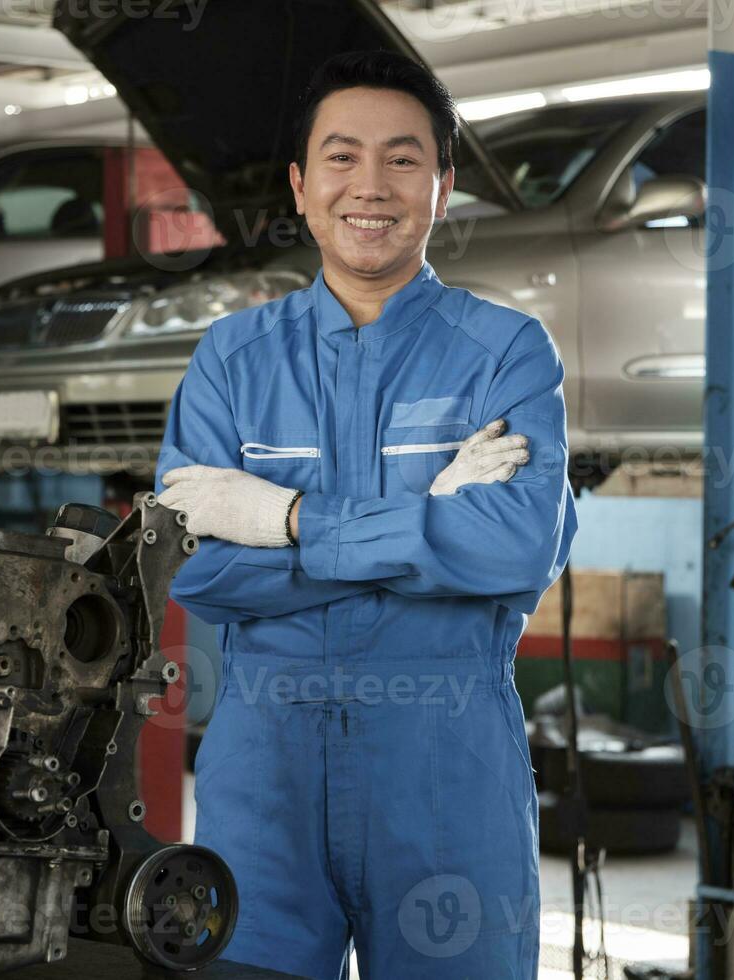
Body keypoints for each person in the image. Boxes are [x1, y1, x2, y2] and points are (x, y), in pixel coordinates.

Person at [154, 49, 576, 980]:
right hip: (264, 767)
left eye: (403, 158)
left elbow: (513, 547)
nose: (370, 185)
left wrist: (289, 518)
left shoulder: (505, 352)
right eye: (342, 158)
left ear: (443, 186)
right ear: (302, 188)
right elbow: (196, 571)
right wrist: (424, 523)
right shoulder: (232, 359)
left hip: (447, 767)